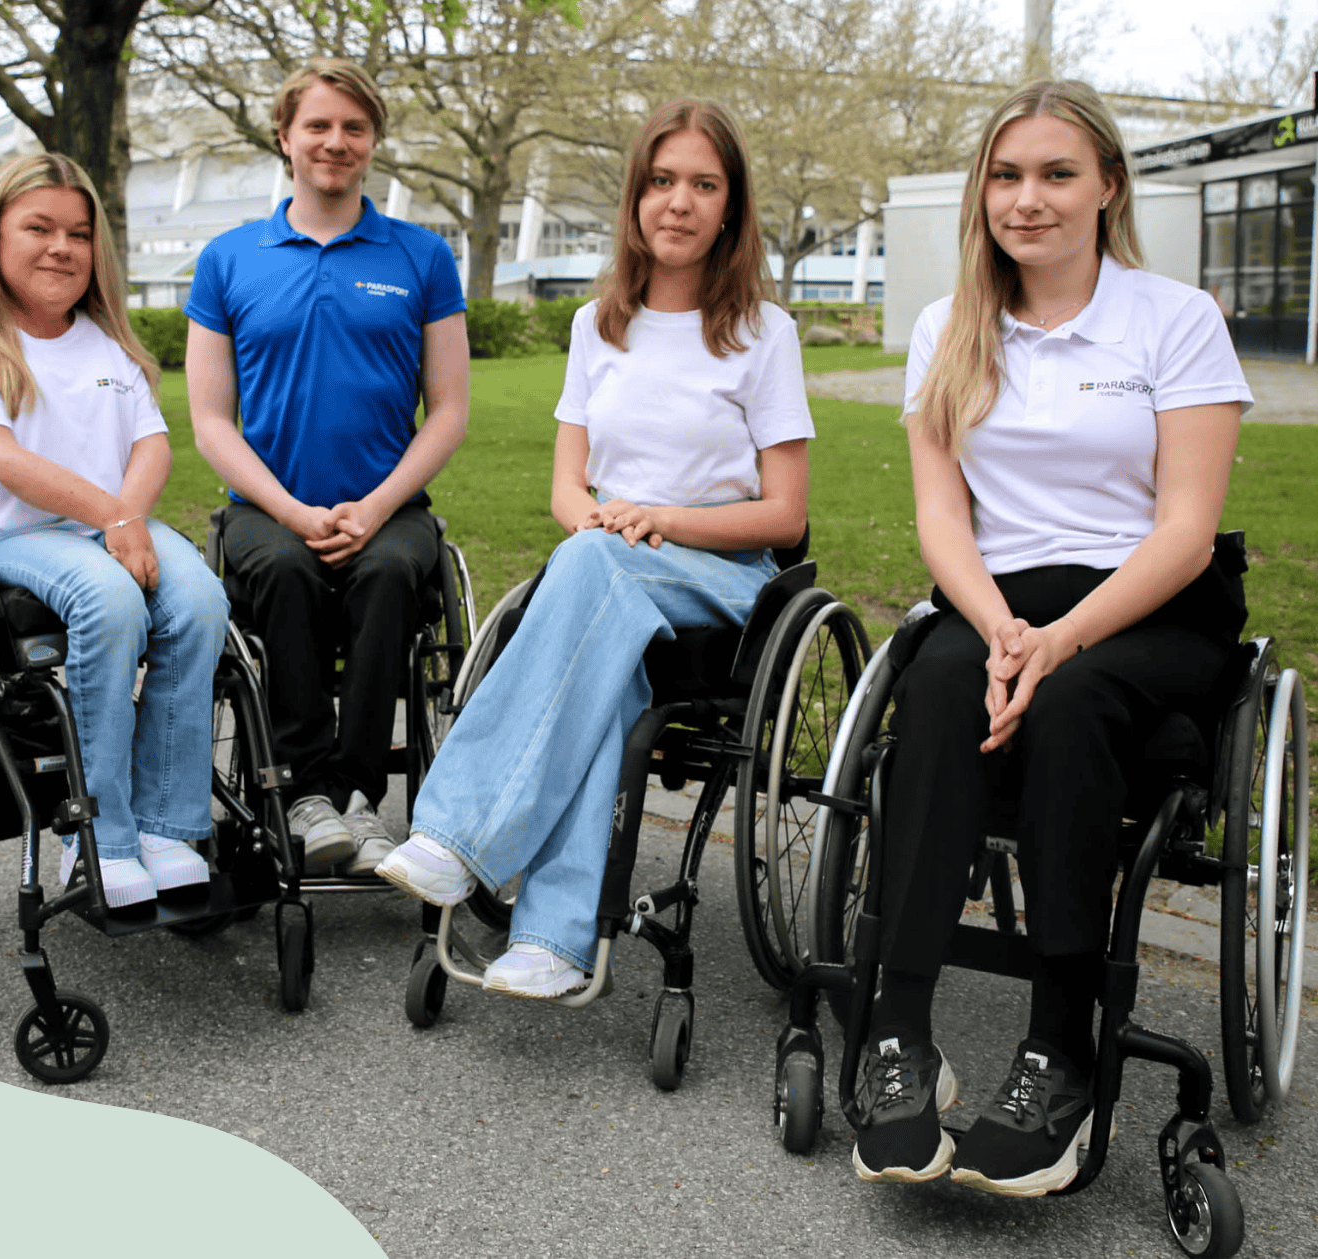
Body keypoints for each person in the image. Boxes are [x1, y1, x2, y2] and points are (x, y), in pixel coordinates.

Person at [852, 80, 1253, 1196]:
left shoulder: (1172, 319)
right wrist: (994, 628)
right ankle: (896, 1033)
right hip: (998, 596)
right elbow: (941, 516)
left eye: (1055, 174)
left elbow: (1181, 530)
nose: (1026, 199)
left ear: (1106, 187)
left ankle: (1057, 1046)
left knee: (1073, 702)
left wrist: (1059, 639)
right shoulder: (947, 326)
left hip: (1145, 600)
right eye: (1005, 174)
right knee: (930, 690)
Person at [377, 98, 812, 998]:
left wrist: (656, 517)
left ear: (730, 206)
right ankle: (554, 939)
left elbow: (783, 513)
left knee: (591, 560)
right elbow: (565, 490)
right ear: (634, 198)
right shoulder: (594, 326)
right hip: (609, 565)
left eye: (702, 184)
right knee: (600, 637)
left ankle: (460, 834)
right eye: (660, 182)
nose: (678, 203)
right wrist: (605, 522)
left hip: (723, 574)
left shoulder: (764, 334)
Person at [0, 153, 229, 909]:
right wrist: (117, 517)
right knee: (110, 602)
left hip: (108, 524)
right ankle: (97, 833)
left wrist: (127, 515)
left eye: (79, 234)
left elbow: (152, 445)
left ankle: (165, 824)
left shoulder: (105, 340)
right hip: (1, 537)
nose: (61, 246)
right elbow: (2, 458)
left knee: (201, 603)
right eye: (39, 228)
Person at [186, 57, 469, 877]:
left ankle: (357, 802)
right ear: (284, 138)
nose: (334, 142)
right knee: (284, 571)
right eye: (317, 125)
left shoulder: (420, 256)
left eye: (352, 127)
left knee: (386, 577)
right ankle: (305, 794)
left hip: (390, 507)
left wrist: (377, 507)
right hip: (267, 510)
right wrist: (289, 511)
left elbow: (447, 410)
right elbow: (210, 419)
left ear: (373, 142)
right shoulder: (229, 258)